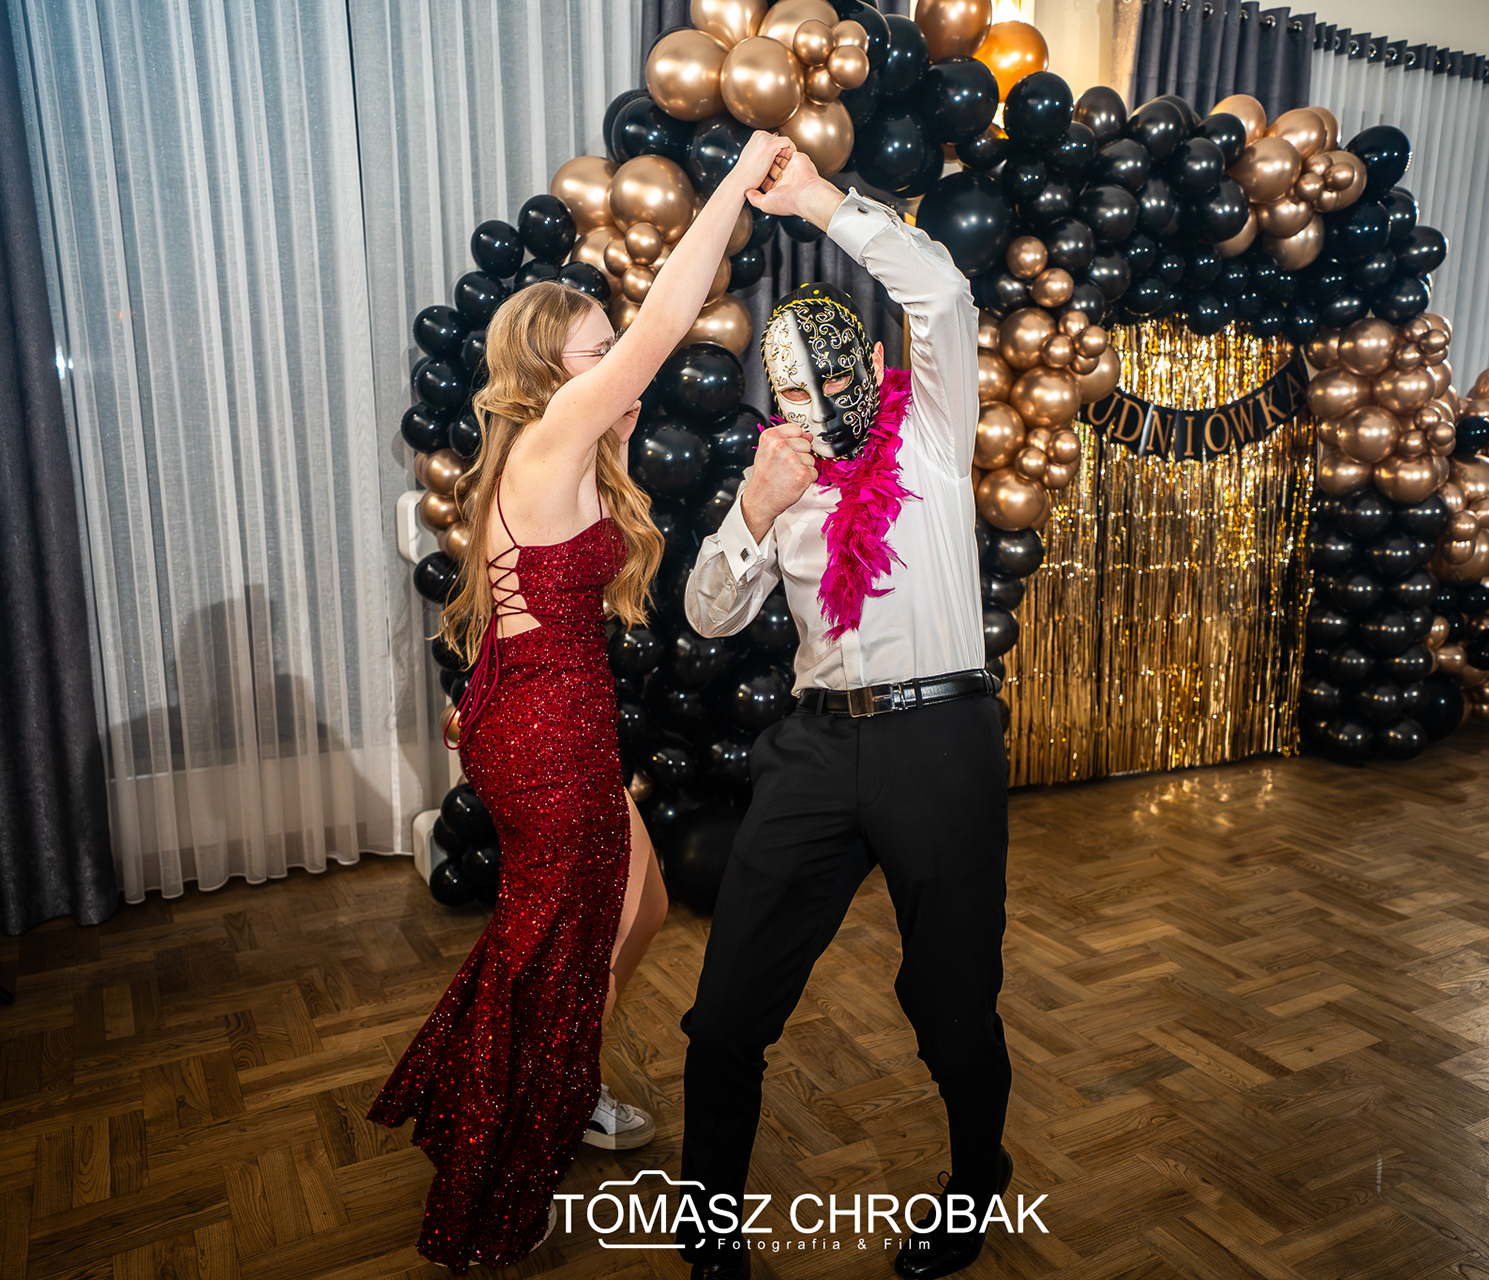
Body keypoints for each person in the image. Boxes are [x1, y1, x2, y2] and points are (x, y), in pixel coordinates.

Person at [366, 130, 793, 1274]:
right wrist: (737, 181)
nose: (623, 368)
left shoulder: (562, 452)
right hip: (547, 733)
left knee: (638, 905)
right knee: (546, 948)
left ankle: (564, 1077)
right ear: (557, 371)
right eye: (602, 352)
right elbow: (670, 320)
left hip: (550, 717)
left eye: (614, 349)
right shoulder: (553, 434)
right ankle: (495, 1164)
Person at [676, 147, 1014, 1280]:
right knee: (729, 1005)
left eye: (832, 378)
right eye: (792, 393)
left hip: (940, 741)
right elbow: (711, 616)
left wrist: (819, 203)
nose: (815, 408)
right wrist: (748, 509)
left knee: (952, 1002)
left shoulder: (934, 436)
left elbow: (944, 293)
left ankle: (975, 1182)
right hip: (817, 746)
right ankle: (708, 1225)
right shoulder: (783, 478)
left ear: (875, 362)